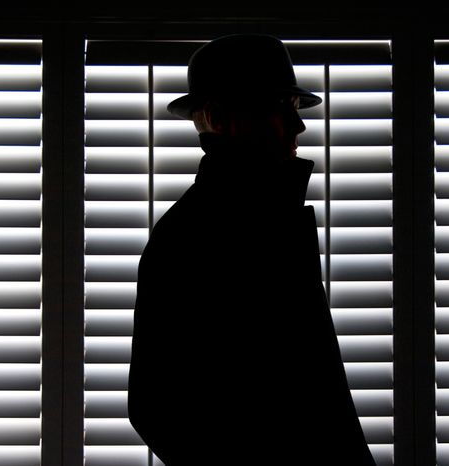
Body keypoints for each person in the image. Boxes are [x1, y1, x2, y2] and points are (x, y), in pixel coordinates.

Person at [127, 34, 376, 465]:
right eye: (279, 108)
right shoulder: (197, 233)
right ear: (220, 117)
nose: (298, 126)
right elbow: (155, 406)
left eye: (294, 110)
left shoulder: (257, 218)